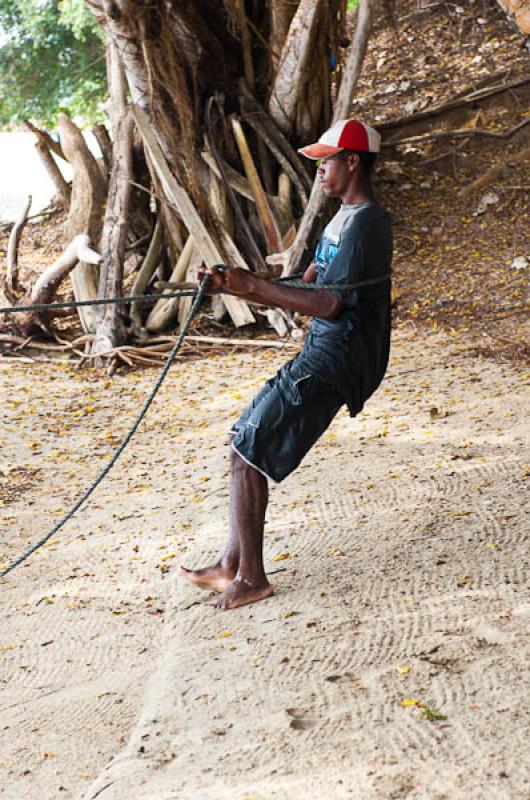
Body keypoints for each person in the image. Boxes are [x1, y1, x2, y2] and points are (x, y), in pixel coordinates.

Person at [179, 118, 393, 610]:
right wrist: (232, 281)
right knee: (242, 440)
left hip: (336, 357)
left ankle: (251, 578)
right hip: (321, 350)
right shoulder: (341, 220)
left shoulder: (367, 224)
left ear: (352, 161)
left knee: (250, 447)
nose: (320, 170)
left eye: (327, 160)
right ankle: (231, 565)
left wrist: (251, 287)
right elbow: (304, 282)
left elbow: (329, 304)